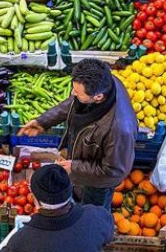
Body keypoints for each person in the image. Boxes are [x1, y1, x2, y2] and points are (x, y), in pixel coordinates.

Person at [18, 58, 137, 209]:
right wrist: (44, 121)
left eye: (78, 92)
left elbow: (114, 172)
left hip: (97, 184)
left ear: (98, 97)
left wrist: (74, 167)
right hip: (83, 162)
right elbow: (74, 102)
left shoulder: (120, 130)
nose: (73, 93)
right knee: (77, 198)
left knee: (91, 213)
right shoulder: (105, 81)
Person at [0, 164, 114, 252]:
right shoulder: (98, 217)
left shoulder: (20, 242)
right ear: (70, 190)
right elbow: (108, 236)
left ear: (35, 198)